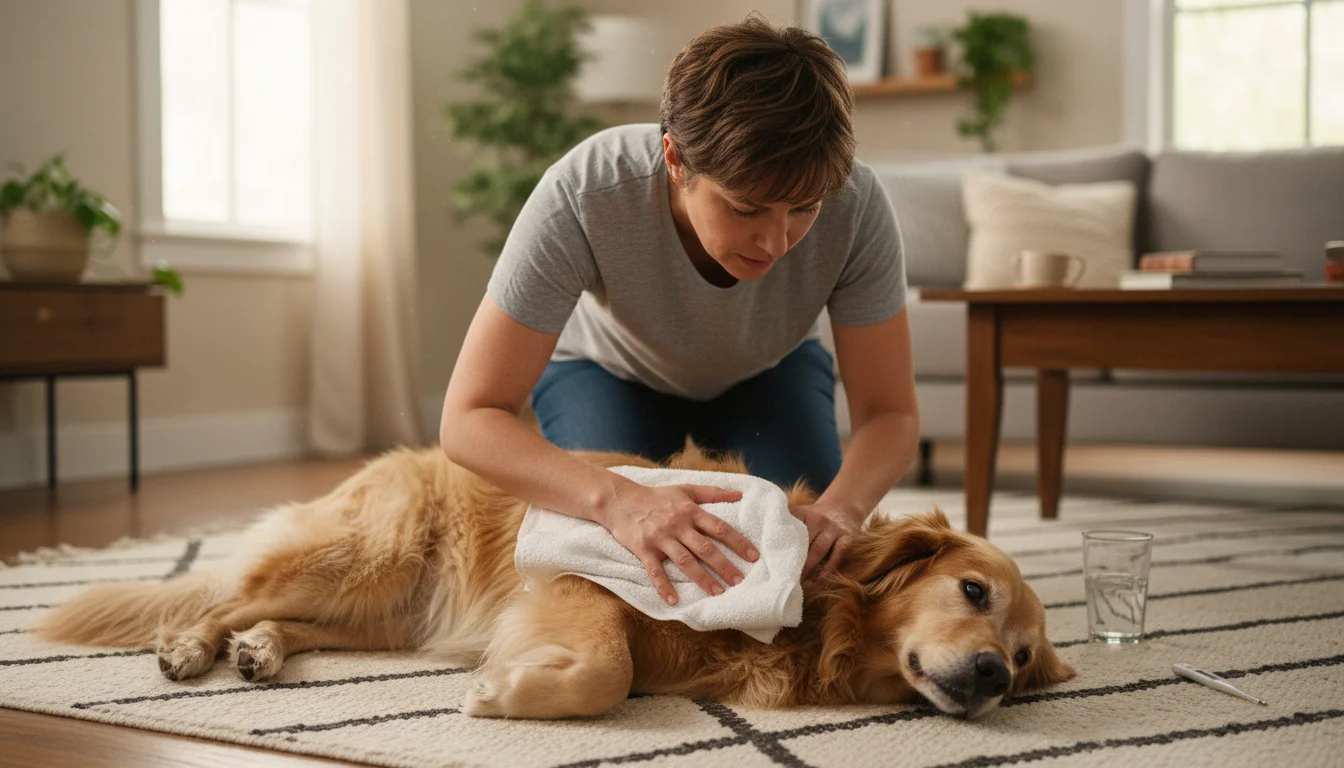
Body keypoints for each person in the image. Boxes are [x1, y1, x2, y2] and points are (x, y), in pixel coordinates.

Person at [440, 15, 918, 608]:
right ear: (674, 159)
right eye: (746, 207)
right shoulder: (585, 191)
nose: (776, 242)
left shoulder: (859, 206)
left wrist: (843, 510)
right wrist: (614, 499)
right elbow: (468, 418)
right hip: (608, 371)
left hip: (770, 372)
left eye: (802, 208)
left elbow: (890, 414)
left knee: (807, 567)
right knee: (627, 571)